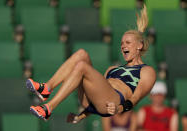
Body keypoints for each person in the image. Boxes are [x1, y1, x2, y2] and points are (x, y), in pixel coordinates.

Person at [26, 4, 156, 122]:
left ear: (139, 45)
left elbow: (136, 98)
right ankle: (47, 88)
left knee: (82, 66)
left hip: (115, 102)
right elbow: (97, 96)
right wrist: (80, 116)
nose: (123, 46)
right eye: (122, 43)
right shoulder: (112, 69)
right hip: (94, 102)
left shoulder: (146, 71)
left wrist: (119, 109)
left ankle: (49, 108)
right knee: (81, 54)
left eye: (128, 43)